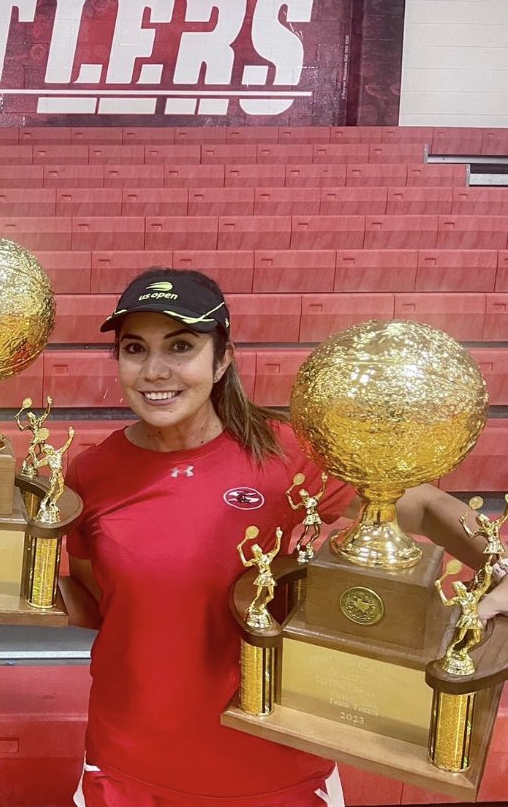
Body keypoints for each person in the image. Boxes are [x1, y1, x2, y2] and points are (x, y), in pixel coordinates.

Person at [55, 268, 508, 806]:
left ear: (222, 359)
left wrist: (502, 567)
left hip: (277, 770)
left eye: (181, 347)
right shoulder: (93, 472)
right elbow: (99, 604)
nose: (155, 371)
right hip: (129, 766)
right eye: (135, 348)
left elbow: (427, 507)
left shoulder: (285, 454)